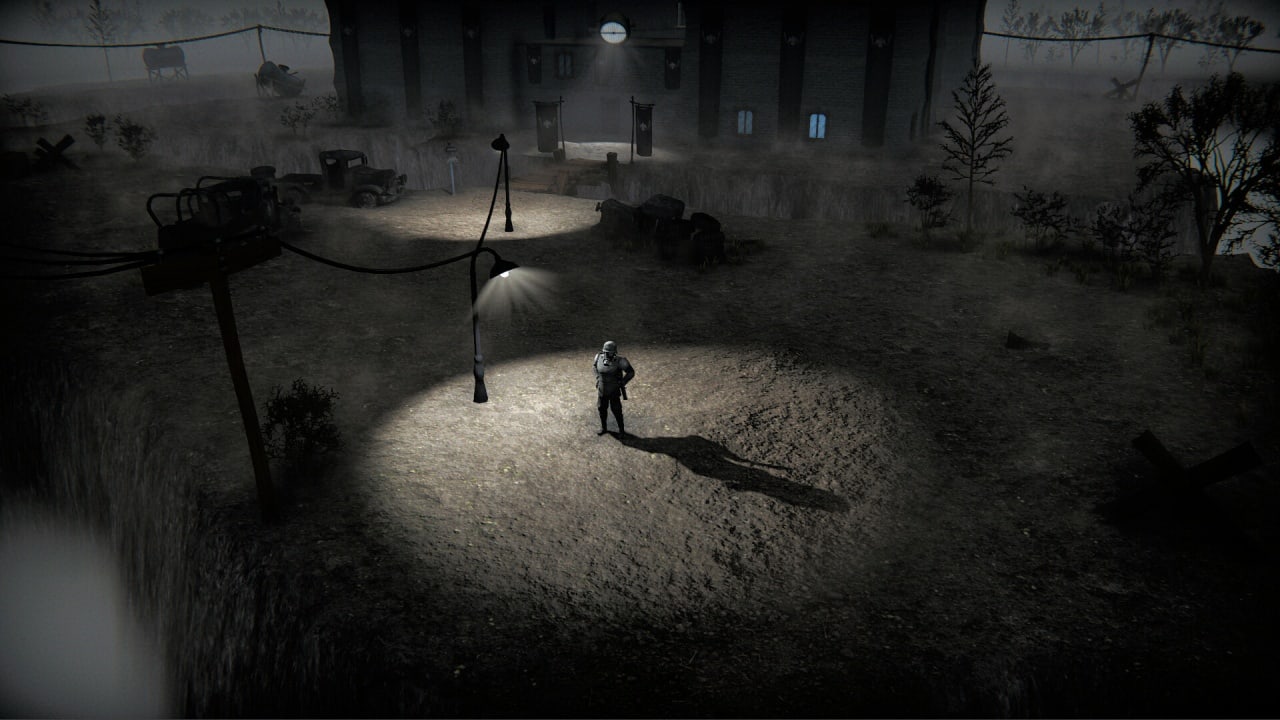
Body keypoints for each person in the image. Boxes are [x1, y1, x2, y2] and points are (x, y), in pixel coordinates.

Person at [593, 340, 635, 436]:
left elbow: (631, 372)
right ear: (604, 351)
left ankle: (621, 431)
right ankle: (604, 428)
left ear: (614, 352)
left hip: (614, 390)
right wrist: (598, 378)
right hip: (602, 390)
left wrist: (623, 382)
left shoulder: (620, 361)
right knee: (601, 409)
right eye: (607, 352)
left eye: (611, 352)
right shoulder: (598, 357)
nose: (609, 354)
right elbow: (594, 367)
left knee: (617, 410)